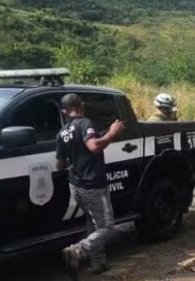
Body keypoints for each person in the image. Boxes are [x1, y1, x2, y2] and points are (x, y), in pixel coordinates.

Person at [57, 93, 125, 279]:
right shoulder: (85, 123)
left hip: (76, 185)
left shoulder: (62, 132)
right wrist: (112, 133)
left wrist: (76, 156)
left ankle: (98, 263)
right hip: (92, 184)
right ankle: (77, 251)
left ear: (64, 111)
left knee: (93, 222)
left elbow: (60, 165)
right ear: (82, 106)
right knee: (107, 227)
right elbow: (94, 146)